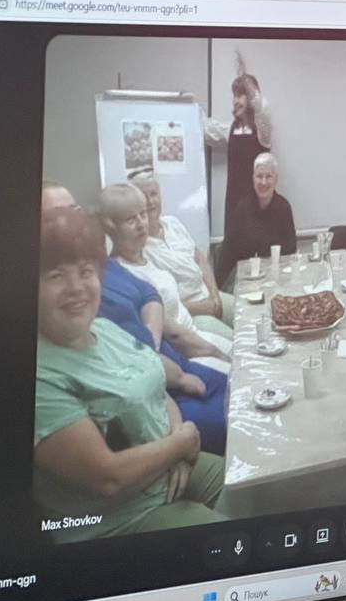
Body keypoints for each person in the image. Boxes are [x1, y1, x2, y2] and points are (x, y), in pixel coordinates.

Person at [33, 207, 224, 542]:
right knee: (230, 541)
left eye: (86, 271)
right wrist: (181, 442)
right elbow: (108, 478)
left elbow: (157, 389)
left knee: (258, 489)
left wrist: (180, 444)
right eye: (56, 276)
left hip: (170, 465)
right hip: (125, 518)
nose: (76, 287)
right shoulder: (40, 376)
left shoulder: (105, 330)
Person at [42, 182, 230, 454]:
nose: (71, 221)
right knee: (232, 425)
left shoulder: (102, 267)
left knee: (241, 395)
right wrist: (177, 444)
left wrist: (151, 343)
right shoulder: (75, 303)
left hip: (171, 365)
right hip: (163, 383)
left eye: (74, 210)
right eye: (58, 215)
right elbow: (128, 375)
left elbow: (150, 296)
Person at [97, 183, 231, 370]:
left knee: (246, 351)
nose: (141, 224)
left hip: (195, 334)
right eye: (131, 219)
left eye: (142, 214)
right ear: (112, 227)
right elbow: (174, 337)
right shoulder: (124, 274)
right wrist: (218, 353)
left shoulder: (144, 260)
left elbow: (199, 258)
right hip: (183, 354)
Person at [131, 172, 234, 338]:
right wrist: (201, 307)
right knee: (234, 341)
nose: (150, 202)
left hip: (209, 295)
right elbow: (162, 307)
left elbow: (200, 259)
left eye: (154, 194)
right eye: (143, 197)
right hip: (188, 315)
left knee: (250, 315)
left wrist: (215, 293)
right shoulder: (139, 250)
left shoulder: (173, 223)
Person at [202, 51, 272, 229]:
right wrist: (189, 105)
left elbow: (261, 106)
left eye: (240, 96)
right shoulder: (231, 129)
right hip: (234, 210)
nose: (235, 101)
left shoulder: (263, 131)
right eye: (234, 96)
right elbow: (206, 129)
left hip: (257, 210)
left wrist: (244, 78)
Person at [214, 152, 298, 288]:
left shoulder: (284, 208)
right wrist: (216, 290)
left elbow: (291, 252)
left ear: (276, 179)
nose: (263, 182)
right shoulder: (241, 209)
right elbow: (228, 253)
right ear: (253, 178)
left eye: (268, 176)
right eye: (259, 176)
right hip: (247, 280)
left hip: (277, 279)